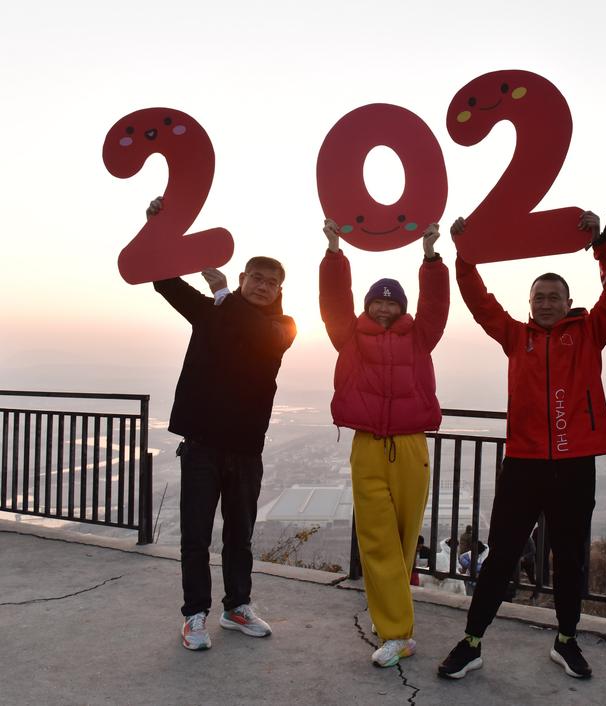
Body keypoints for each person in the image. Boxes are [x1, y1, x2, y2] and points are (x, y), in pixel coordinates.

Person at [438, 211, 606, 680]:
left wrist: (603, 247)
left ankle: (567, 640)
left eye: (553, 297)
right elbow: (480, 303)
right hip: (523, 464)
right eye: (538, 297)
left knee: (569, 558)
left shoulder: (589, 332)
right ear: (529, 304)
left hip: (575, 464)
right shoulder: (515, 337)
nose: (545, 303)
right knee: (501, 555)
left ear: (568, 302)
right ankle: (472, 641)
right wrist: (465, 255)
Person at [146, 197, 297, 651]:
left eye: (272, 282)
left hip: (246, 448)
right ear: (243, 277)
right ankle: (194, 615)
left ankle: (237, 607)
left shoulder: (284, 325)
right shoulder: (212, 311)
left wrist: (224, 295)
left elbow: (257, 334)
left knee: (239, 536)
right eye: (257, 278)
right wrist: (158, 225)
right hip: (202, 444)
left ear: (280, 290)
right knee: (195, 536)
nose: (264, 286)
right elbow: (163, 280)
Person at [319, 218, 449, 668]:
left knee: (405, 537)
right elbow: (334, 301)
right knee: (376, 540)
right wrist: (334, 252)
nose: (383, 309)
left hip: (411, 446)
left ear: (402, 309)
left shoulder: (420, 337)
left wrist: (430, 258)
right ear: (368, 304)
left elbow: (436, 306)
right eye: (377, 301)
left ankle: (391, 610)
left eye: (392, 304)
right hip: (369, 446)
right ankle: (398, 633)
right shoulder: (349, 336)